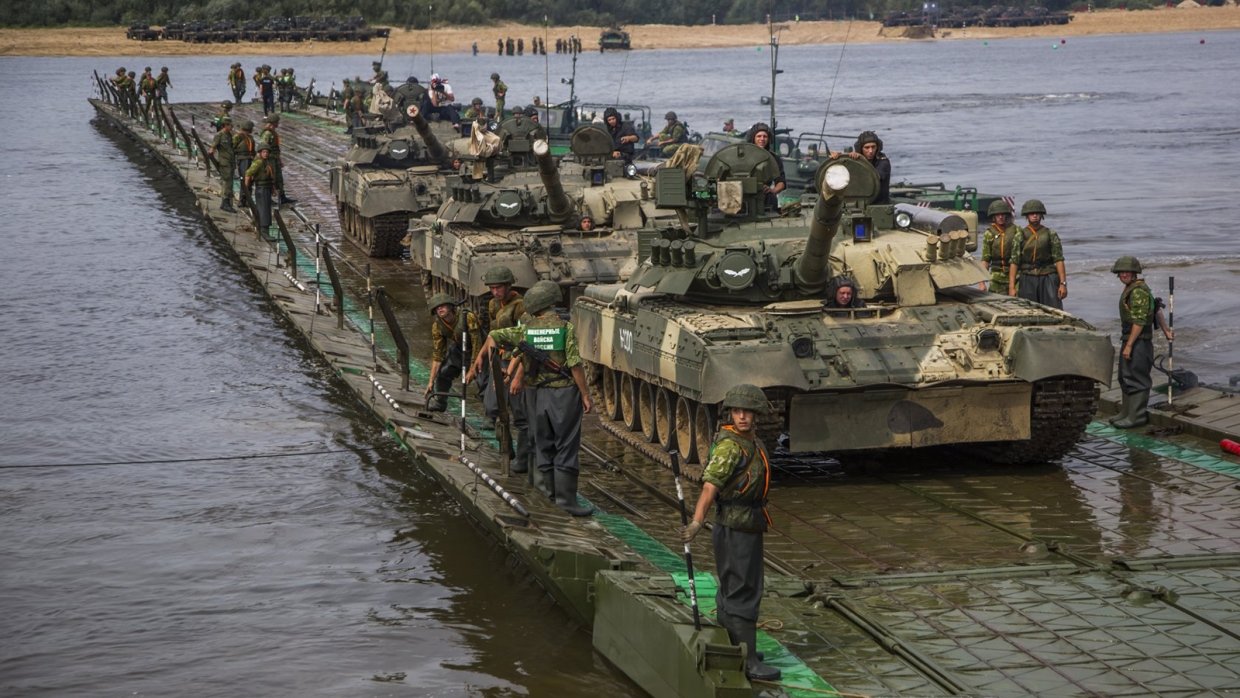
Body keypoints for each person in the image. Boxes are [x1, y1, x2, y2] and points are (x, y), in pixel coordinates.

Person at [680, 383, 782, 682]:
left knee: (733, 586)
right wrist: (697, 522)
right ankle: (748, 660)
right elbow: (709, 487)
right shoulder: (731, 447)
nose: (742, 417)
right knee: (743, 589)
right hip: (737, 525)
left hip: (745, 521)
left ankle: (736, 646)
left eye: (748, 412)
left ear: (757, 415)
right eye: (737, 412)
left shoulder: (750, 442)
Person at [469, 281, 593, 515]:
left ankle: (544, 495)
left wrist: (499, 370)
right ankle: (566, 501)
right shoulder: (564, 327)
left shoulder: (526, 329)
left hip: (535, 393)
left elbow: (494, 335)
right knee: (565, 445)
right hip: (563, 393)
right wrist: (585, 395)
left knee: (542, 442)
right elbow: (575, 363)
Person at [469, 267, 530, 471]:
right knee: (492, 407)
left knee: (521, 414)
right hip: (499, 361)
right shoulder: (494, 304)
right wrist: (480, 357)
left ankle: (522, 460)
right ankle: (506, 447)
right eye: (492, 288)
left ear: (508, 285)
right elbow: (493, 335)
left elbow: (524, 341)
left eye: (499, 287)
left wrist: (517, 373)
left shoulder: (520, 307)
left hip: (517, 361)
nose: (495, 292)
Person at [1109, 256, 1169, 429]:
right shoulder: (1131, 289)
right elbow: (1157, 309)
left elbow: (1140, 322)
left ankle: (1137, 416)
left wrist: (1129, 346)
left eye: (1127, 271)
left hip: (1138, 341)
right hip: (1130, 339)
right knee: (1124, 376)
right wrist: (1166, 330)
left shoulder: (1138, 291)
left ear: (1135, 273)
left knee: (1137, 378)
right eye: (1121, 272)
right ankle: (1126, 412)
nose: (1124, 274)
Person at [425, 294, 483, 413]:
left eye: (443, 306)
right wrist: (431, 381)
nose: (440, 309)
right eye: (437, 308)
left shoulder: (468, 317)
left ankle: (491, 417)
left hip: (480, 350)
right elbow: (438, 354)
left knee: (484, 381)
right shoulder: (437, 326)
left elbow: (477, 344)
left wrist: (472, 369)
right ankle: (440, 403)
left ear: (451, 307)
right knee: (443, 373)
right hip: (459, 349)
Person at [1007, 199, 1066, 309]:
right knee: (1028, 312)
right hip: (1027, 278)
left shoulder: (1050, 234)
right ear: (1027, 216)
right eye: (1031, 213)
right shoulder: (1020, 235)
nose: (1034, 216)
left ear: (1041, 215)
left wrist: (1063, 284)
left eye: (1037, 213)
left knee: (1054, 310)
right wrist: (1012, 286)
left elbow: (1059, 259)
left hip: (1048, 277)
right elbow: (1014, 262)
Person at [833, 131, 891, 204]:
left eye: (873, 147)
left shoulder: (883, 162)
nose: (870, 151)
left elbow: (873, 178)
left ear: (878, 147)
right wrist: (838, 160)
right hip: (857, 203)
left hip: (878, 204)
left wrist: (861, 159)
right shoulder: (857, 160)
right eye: (867, 148)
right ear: (860, 149)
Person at [980, 200, 1018, 293]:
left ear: (1006, 215)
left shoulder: (1016, 231)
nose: (1000, 217)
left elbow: (1016, 258)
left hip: (1016, 275)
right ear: (994, 216)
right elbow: (985, 259)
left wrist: (1012, 286)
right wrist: (981, 282)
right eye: (997, 215)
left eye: (1002, 214)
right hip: (996, 276)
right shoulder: (989, 233)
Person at [747, 122, 786, 210]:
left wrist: (773, 191)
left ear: (769, 139)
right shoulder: (745, 155)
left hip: (764, 195)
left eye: (765, 136)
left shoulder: (774, 158)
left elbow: (781, 182)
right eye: (759, 136)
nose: (762, 139)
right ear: (753, 138)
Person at [258, 115, 294, 205]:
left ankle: (282, 197)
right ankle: (268, 198)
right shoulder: (267, 134)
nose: (278, 124)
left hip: (275, 158)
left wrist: (279, 160)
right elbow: (263, 147)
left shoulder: (272, 132)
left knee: (279, 179)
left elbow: (276, 148)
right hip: (269, 159)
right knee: (271, 178)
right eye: (277, 122)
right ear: (273, 123)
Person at [243, 142, 276, 233]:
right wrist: (246, 187)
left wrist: (273, 188)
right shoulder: (258, 162)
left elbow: (270, 176)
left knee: (265, 208)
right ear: (260, 153)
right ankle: (263, 230)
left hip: (267, 187)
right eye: (264, 152)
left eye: (267, 152)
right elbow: (248, 173)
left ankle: (261, 227)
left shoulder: (266, 162)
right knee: (263, 209)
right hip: (261, 188)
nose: (266, 154)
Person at [208, 117, 236, 212]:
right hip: (224, 162)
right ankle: (225, 203)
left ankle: (228, 202)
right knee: (226, 182)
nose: (231, 127)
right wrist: (215, 161)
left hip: (231, 162)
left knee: (230, 183)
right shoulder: (219, 135)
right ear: (225, 125)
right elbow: (212, 149)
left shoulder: (229, 135)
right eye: (230, 125)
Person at [232, 120, 256, 208]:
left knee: (250, 181)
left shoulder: (250, 138)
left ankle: (248, 199)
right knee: (244, 180)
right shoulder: (238, 137)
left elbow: (253, 151)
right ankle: (242, 200)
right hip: (243, 160)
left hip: (250, 160)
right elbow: (232, 148)